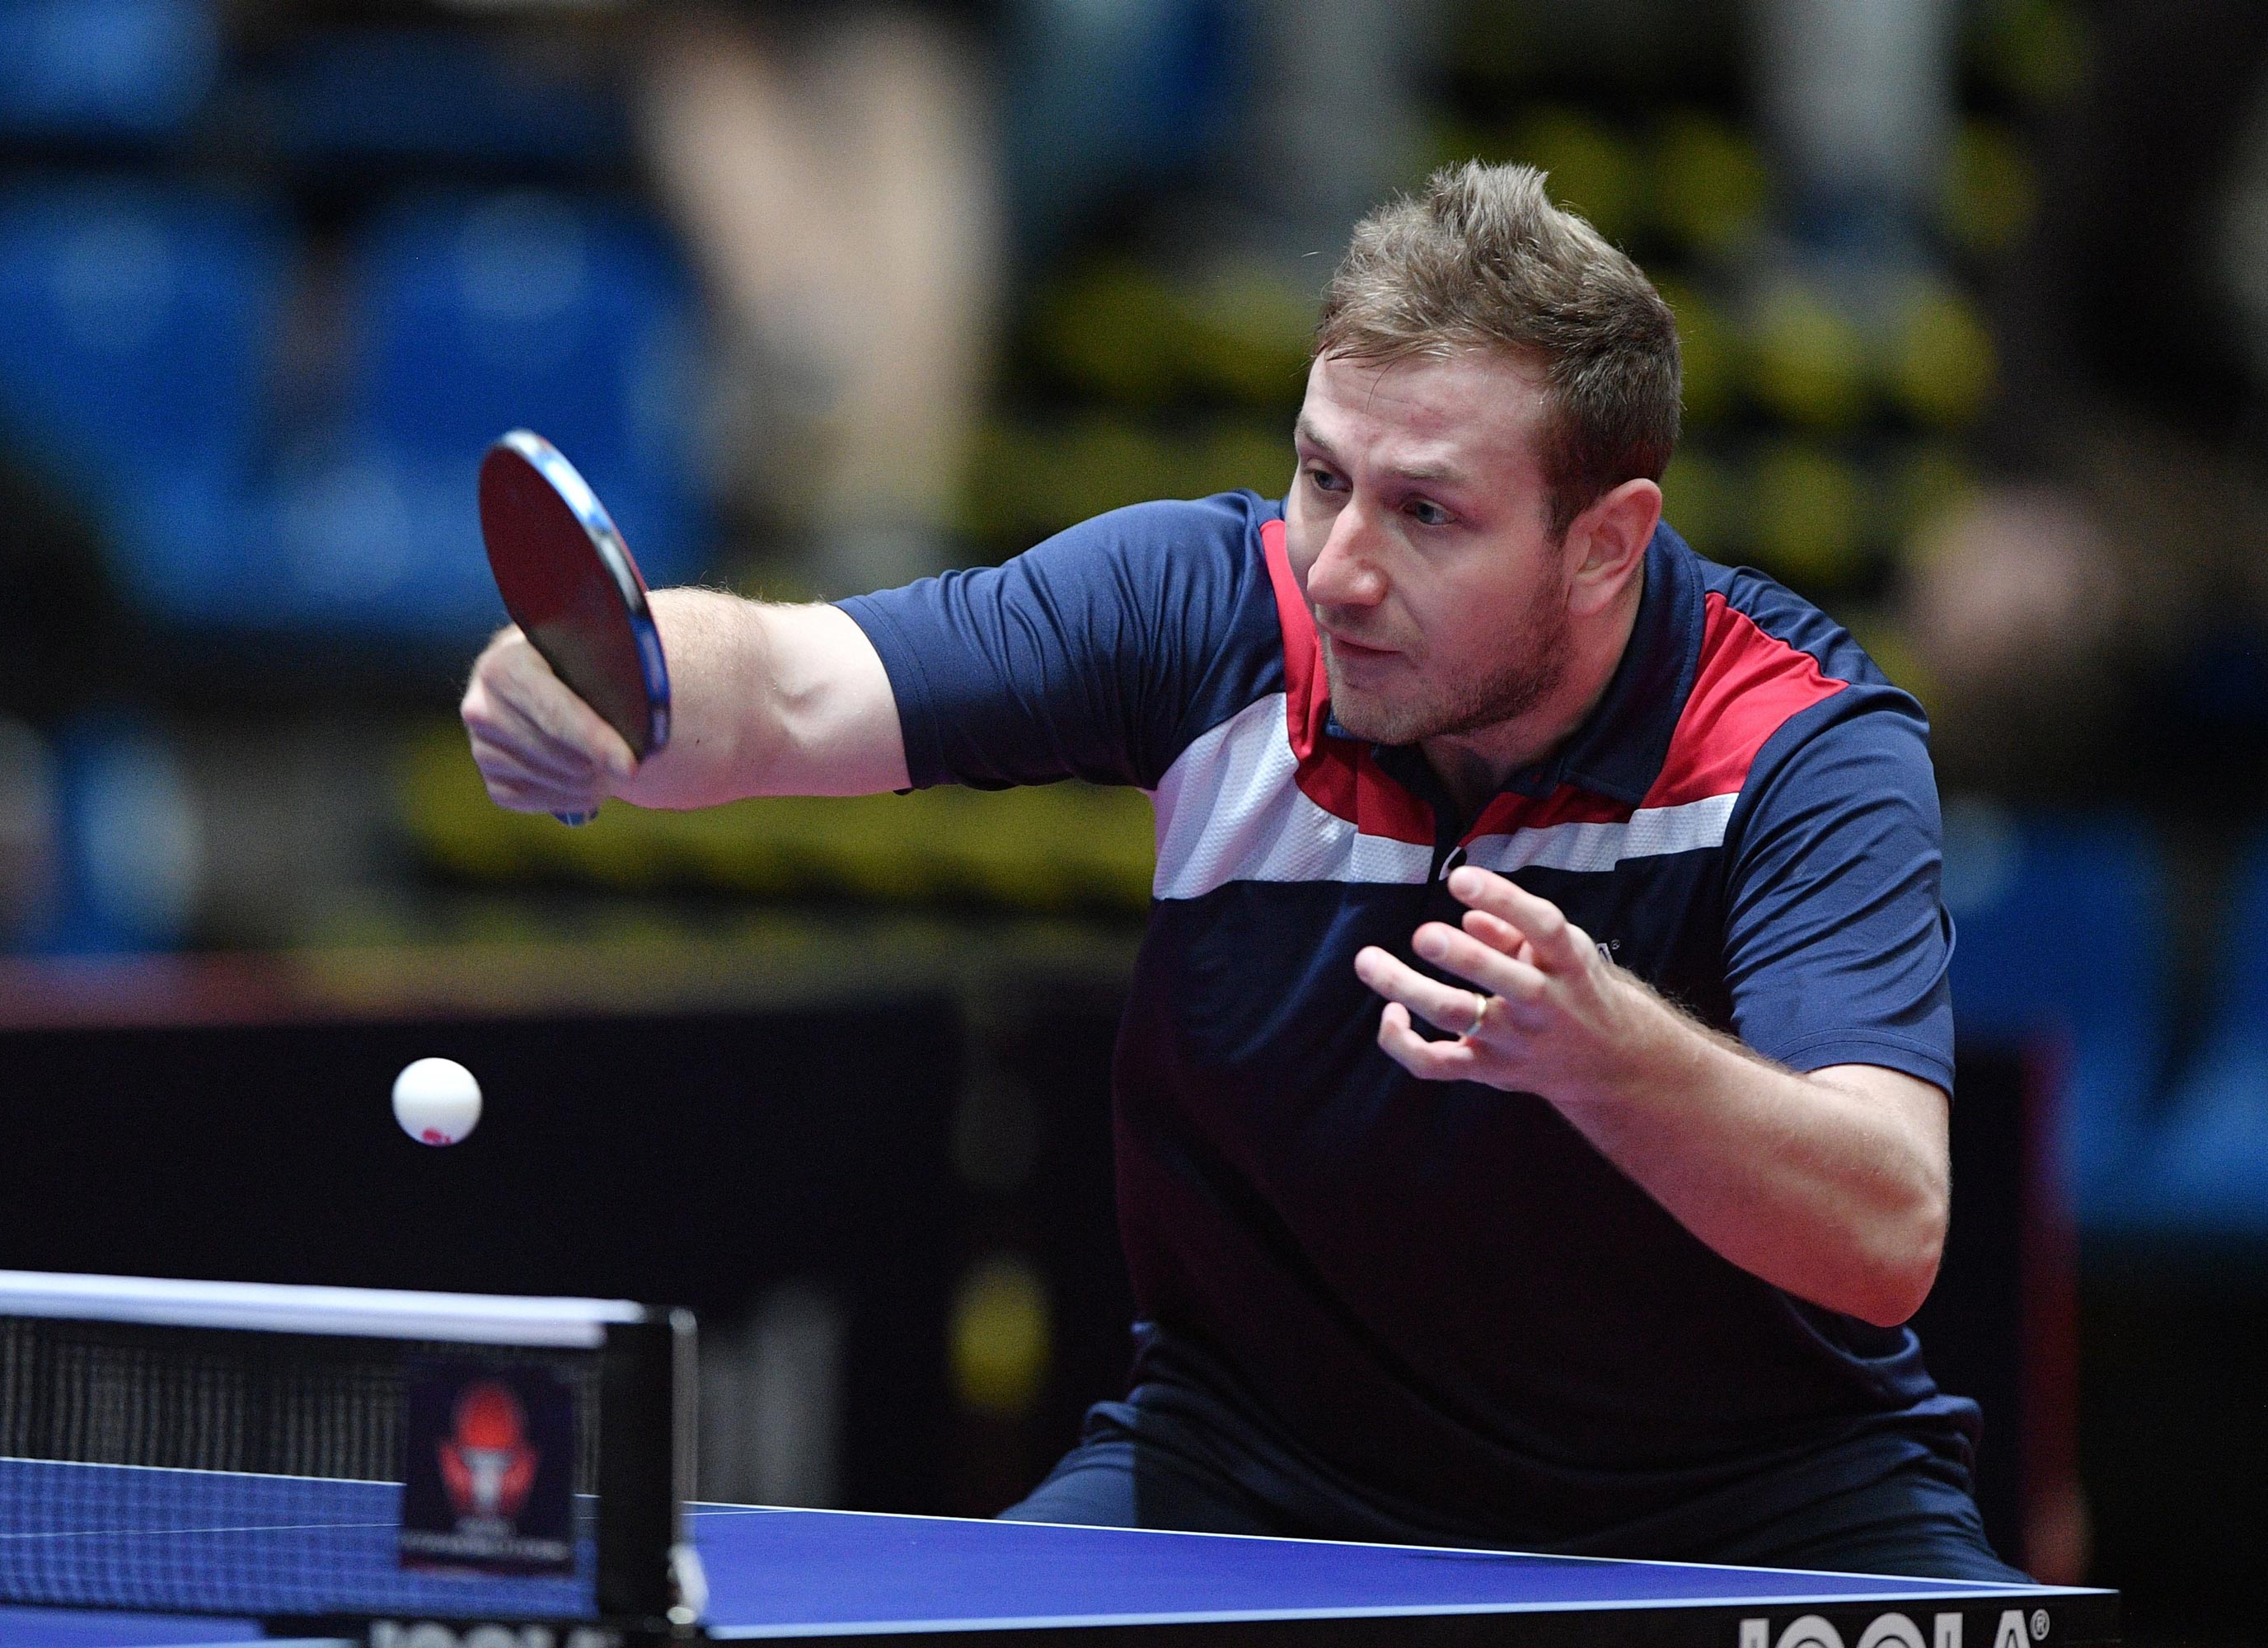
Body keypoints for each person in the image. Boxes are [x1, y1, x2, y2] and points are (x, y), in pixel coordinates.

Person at [459, 162, 2017, 1580]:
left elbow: (1884, 1235)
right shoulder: (1209, 614)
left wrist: (1614, 1060)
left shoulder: (1803, 748)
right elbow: (794, 684)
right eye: (1323, 477)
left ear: (1606, 543)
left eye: (1425, 513)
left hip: (1753, 1503)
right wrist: (623, 680)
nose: (1340, 564)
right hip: (1256, 1473)